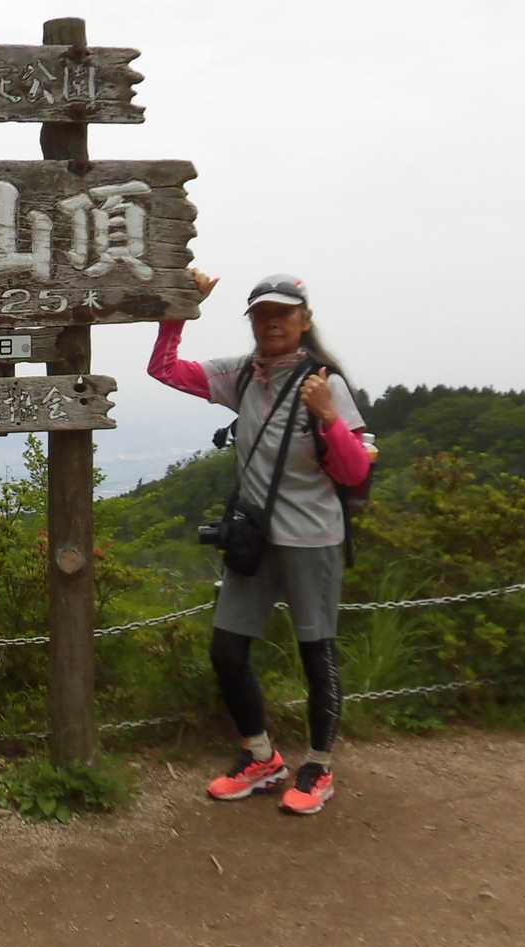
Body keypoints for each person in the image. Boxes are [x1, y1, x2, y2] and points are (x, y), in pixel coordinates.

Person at [146, 270, 372, 816]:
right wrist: (179, 308)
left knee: (316, 653)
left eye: (283, 313)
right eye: (262, 314)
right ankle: (261, 756)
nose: (272, 322)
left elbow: (354, 471)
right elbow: (165, 369)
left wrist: (327, 416)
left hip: (312, 538)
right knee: (227, 650)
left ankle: (318, 766)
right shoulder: (243, 376)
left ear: (304, 320)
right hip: (255, 539)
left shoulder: (325, 383)